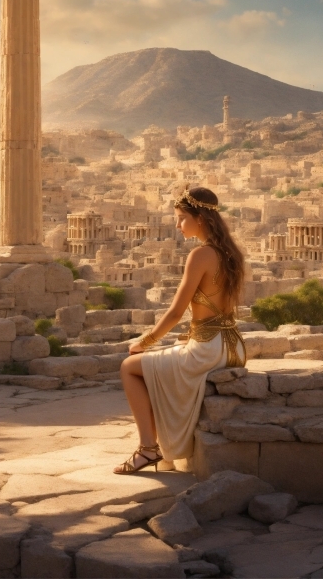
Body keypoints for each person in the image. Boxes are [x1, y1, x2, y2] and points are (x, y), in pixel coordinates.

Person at [114, 186, 246, 475]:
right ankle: (162, 449)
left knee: (129, 367)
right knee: (156, 366)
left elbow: (175, 312)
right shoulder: (232, 253)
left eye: (181, 218)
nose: (177, 225)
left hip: (207, 349)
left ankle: (148, 448)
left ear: (200, 218)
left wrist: (144, 341)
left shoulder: (201, 255)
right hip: (233, 346)